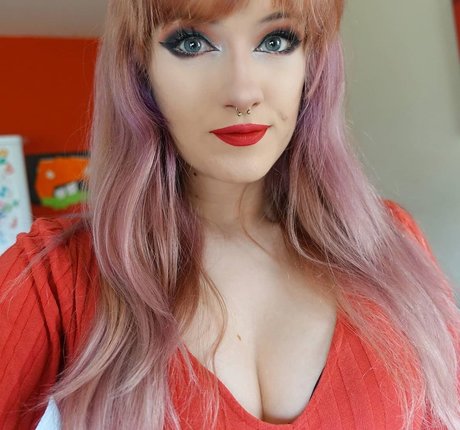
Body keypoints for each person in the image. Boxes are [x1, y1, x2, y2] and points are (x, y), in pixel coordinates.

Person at [1, 0, 459, 429]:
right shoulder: (52, 278)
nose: (242, 92)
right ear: (140, 72)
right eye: (192, 43)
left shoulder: (391, 243)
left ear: (312, 65)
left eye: (276, 41)